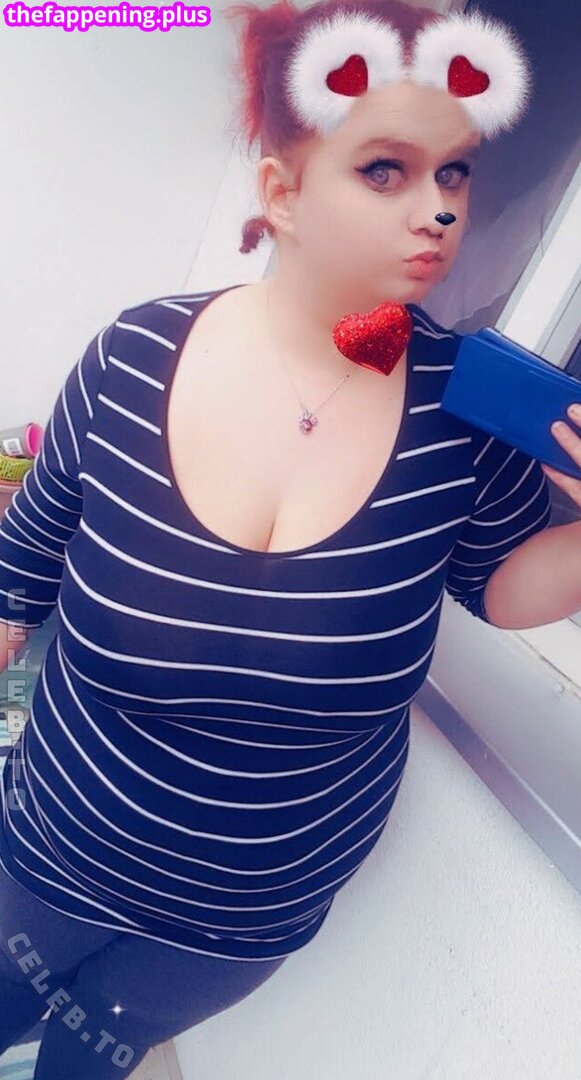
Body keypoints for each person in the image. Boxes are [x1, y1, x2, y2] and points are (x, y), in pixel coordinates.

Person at [0, 1, 550, 1076]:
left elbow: (497, 584)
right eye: (386, 171)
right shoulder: (135, 356)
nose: (439, 210)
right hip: (58, 848)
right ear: (281, 192)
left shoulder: (463, 410)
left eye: (453, 173)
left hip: (246, 911)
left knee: (92, 1055)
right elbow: (24, 556)